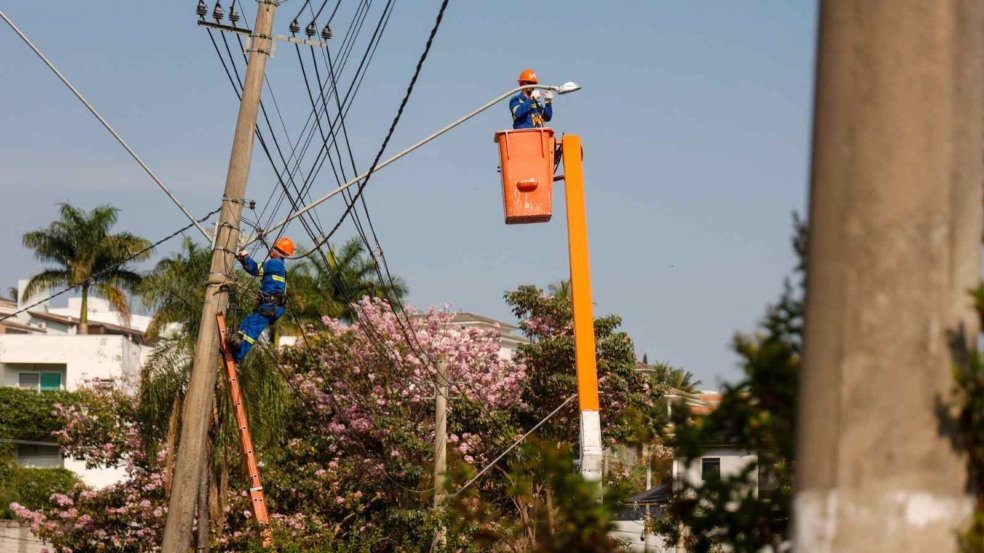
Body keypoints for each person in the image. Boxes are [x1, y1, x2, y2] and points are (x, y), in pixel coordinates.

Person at [226, 236, 294, 363]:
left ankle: (237, 355)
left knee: (252, 329)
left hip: (270, 305)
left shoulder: (276, 263)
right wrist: (243, 260)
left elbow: (255, 269)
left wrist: (245, 256)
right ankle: (235, 345)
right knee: (247, 323)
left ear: (279, 251)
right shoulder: (279, 265)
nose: (271, 249)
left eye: (274, 248)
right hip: (270, 305)